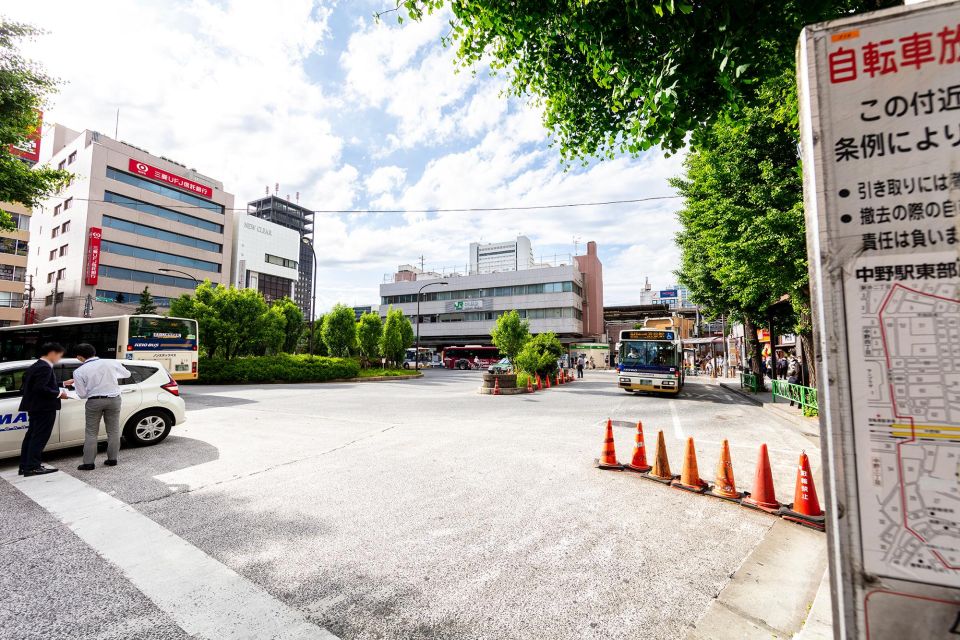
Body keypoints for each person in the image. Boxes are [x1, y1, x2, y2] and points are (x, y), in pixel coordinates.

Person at [65, 343, 131, 471]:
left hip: (94, 402)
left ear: (79, 357)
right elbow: (127, 374)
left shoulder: (79, 372)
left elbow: (83, 394)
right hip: (114, 400)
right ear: (94, 352)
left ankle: (88, 463)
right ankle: (112, 459)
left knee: (91, 433)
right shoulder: (111, 362)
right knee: (114, 431)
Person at [18, 342, 69, 476]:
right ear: (52, 353)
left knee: (31, 436)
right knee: (39, 437)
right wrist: (59, 394)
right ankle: (33, 466)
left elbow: (41, 384)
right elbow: (40, 388)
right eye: (59, 355)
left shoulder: (36, 365)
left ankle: (25, 465)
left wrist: (63, 383)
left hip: (35, 407)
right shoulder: (45, 368)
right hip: (44, 407)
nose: (59, 358)